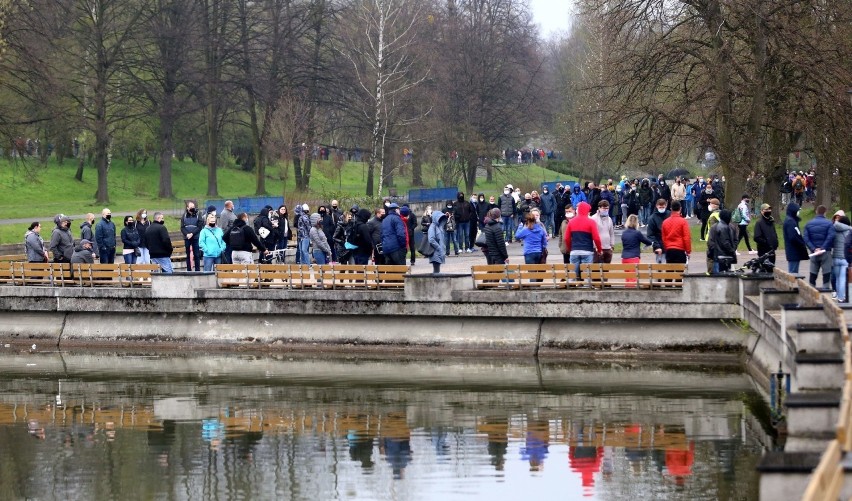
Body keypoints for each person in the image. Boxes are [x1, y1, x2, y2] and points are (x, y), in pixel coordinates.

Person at [565, 202, 602, 281]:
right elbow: (596, 238)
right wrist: (599, 250)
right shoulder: (591, 222)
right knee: (587, 275)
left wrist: (570, 248)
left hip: (574, 251)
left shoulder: (571, 222)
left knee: (572, 275)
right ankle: (586, 288)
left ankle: (570, 288)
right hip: (587, 251)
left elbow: (566, 238)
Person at [803, 205, 835, 288]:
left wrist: (813, 248)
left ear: (816, 212)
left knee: (813, 273)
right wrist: (823, 248)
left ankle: (811, 290)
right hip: (826, 252)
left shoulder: (808, 224)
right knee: (826, 273)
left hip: (814, 253)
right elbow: (830, 236)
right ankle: (825, 291)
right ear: (825, 212)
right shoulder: (829, 224)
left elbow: (806, 238)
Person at [621, 215, 652, 286]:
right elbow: (648, 242)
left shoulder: (624, 233)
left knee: (628, 278)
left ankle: (627, 292)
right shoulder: (637, 233)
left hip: (624, 257)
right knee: (632, 279)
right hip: (634, 257)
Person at [832, 213, 850, 302]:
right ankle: (841, 297)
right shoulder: (849, 231)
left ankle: (839, 295)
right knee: (843, 278)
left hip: (835, 257)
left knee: (837, 278)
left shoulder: (834, 229)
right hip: (845, 258)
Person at [180, 201, 202, 271]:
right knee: (188, 255)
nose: (192, 208)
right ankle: (189, 270)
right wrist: (187, 234)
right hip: (187, 238)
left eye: (193, 207)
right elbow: (182, 227)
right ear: (187, 208)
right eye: (191, 207)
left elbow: (199, 226)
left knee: (196, 254)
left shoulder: (198, 214)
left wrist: (192, 233)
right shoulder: (184, 215)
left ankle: (197, 270)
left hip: (195, 237)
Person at [646, 199, 670, 264]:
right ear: (657, 206)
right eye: (660, 207)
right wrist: (657, 246)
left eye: (663, 207)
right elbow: (650, 234)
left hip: (670, 244)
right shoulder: (652, 218)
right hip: (658, 244)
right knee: (660, 265)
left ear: (666, 205)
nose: (662, 208)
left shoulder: (670, 215)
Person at [427, 208, 448, 274]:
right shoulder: (432, 227)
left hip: (438, 252)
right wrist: (438, 248)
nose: (441, 219)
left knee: (437, 271)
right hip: (435, 252)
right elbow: (431, 239)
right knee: (436, 271)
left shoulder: (439, 227)